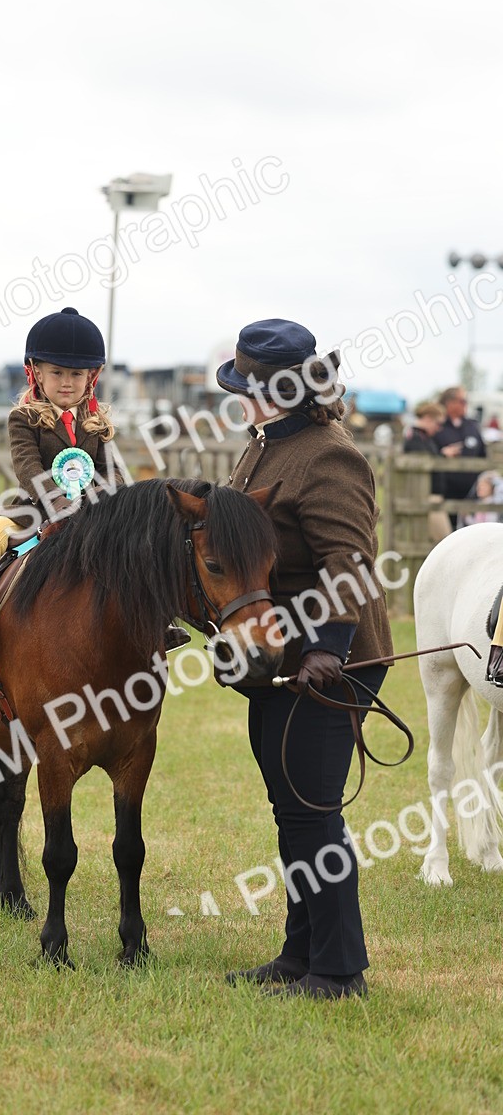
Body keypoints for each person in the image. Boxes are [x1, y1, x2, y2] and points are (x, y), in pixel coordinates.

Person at [216, 318, 393, 1001]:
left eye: (248, 387)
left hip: (333, 658)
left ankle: (340, 970)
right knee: (289, 807)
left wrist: (325, 650)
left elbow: (349, 567)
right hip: (279, 656)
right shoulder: (264, 445)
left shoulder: (328, 456)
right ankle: (300, 954)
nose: (239, 398)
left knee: (314, 811)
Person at [0, 307, 191, 652]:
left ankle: (155, 617)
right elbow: (27, 468)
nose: (66, 382)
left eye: (76, 374)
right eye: (57, 372)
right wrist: (58, 502)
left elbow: (111, 470)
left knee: (136, 542)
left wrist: (112, 501)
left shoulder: (97, 423)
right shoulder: (24, 419)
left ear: (90, 378)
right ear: (37, 374)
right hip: (36, 510)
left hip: (92, 511)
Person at [433, 387, 486, 529]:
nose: (465, 404)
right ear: (450, 403)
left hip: (471, 496)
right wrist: (442, 454)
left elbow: (483, 455)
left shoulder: (472, 426)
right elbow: (428, 454)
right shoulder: (438, 427)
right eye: (462, 401)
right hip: (445, 494)